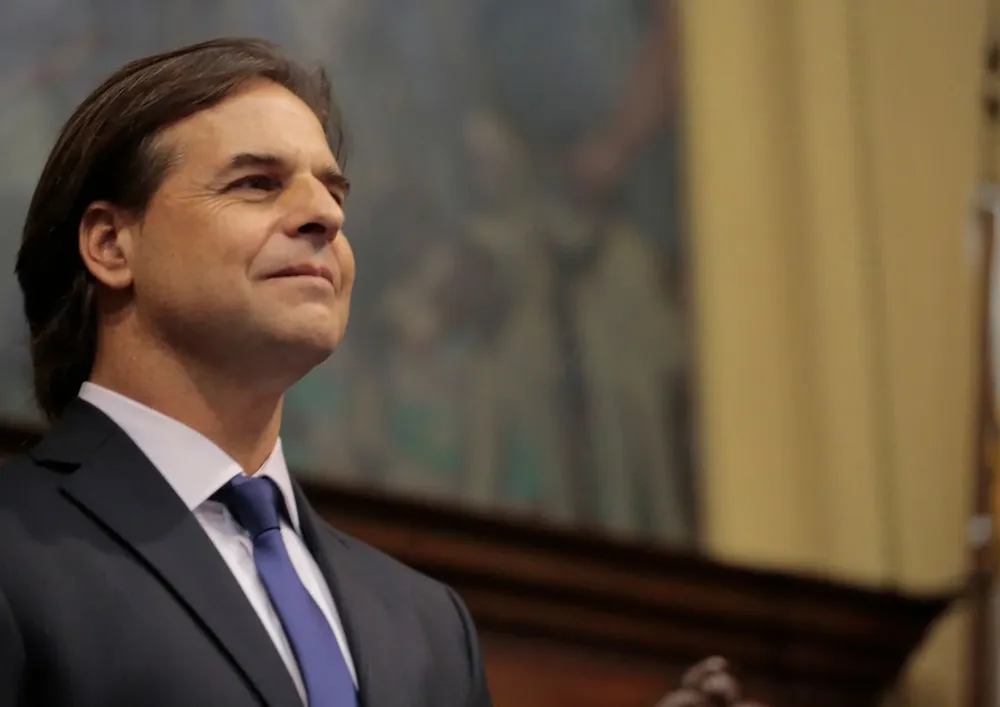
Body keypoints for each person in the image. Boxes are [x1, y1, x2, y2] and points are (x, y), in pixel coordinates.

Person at [0, 38, 491, 707]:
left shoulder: (429, 624)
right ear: (112, 244)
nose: (326, 215)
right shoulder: (16, 545)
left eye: (333, 189)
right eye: (257, 183)